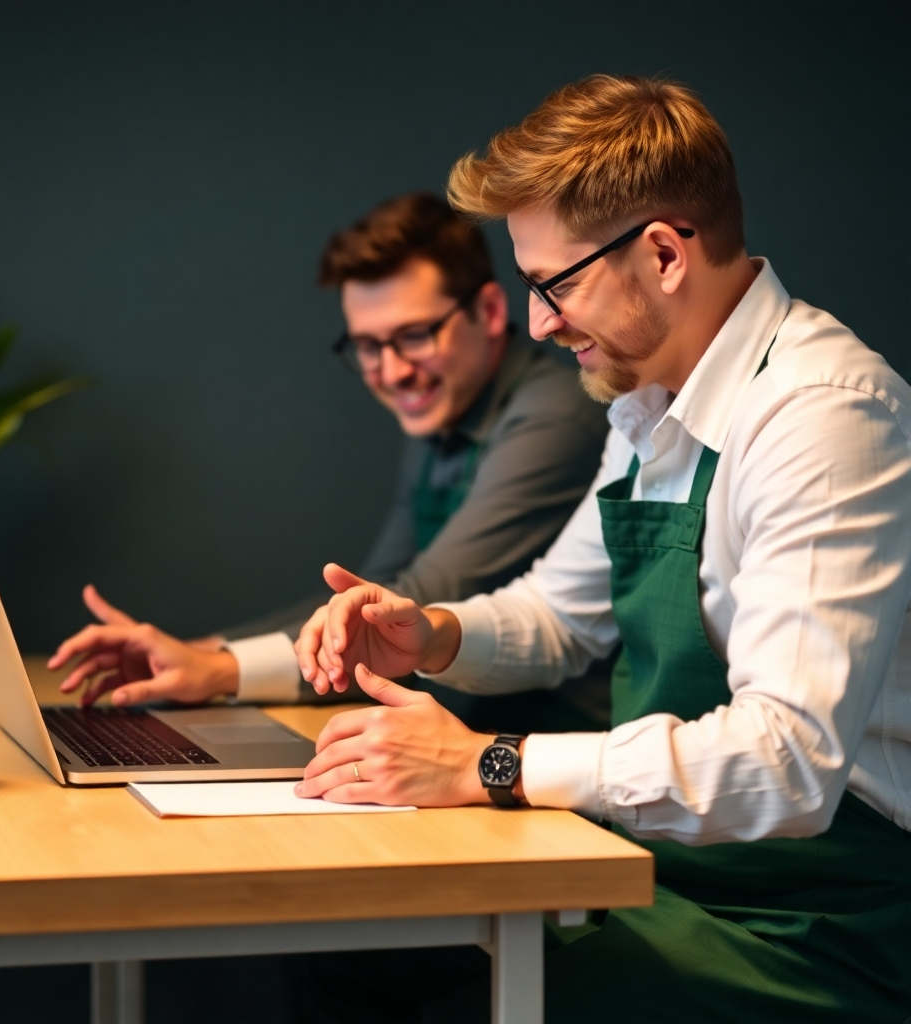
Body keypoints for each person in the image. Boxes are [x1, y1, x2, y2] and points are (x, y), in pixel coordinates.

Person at [286, 76, 911, 1022]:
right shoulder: (648, 398)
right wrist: (434, 635)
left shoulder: (824, 417)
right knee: (346, 950)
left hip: (813, 925)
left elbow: (786, 762)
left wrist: (487, 764)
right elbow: (558, 615)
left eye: (558, 284)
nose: (539, 321)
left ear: (663, 253)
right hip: (659, 866)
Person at [50, 192, 611, 732]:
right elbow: (372, 589)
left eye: (415, 335)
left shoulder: (555, 417)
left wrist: (219, 670)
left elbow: (415, 598)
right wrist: (196, 653)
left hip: (566, 756)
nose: (393, 372)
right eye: (368, 346)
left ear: (488, 311)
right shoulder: (443, 411)